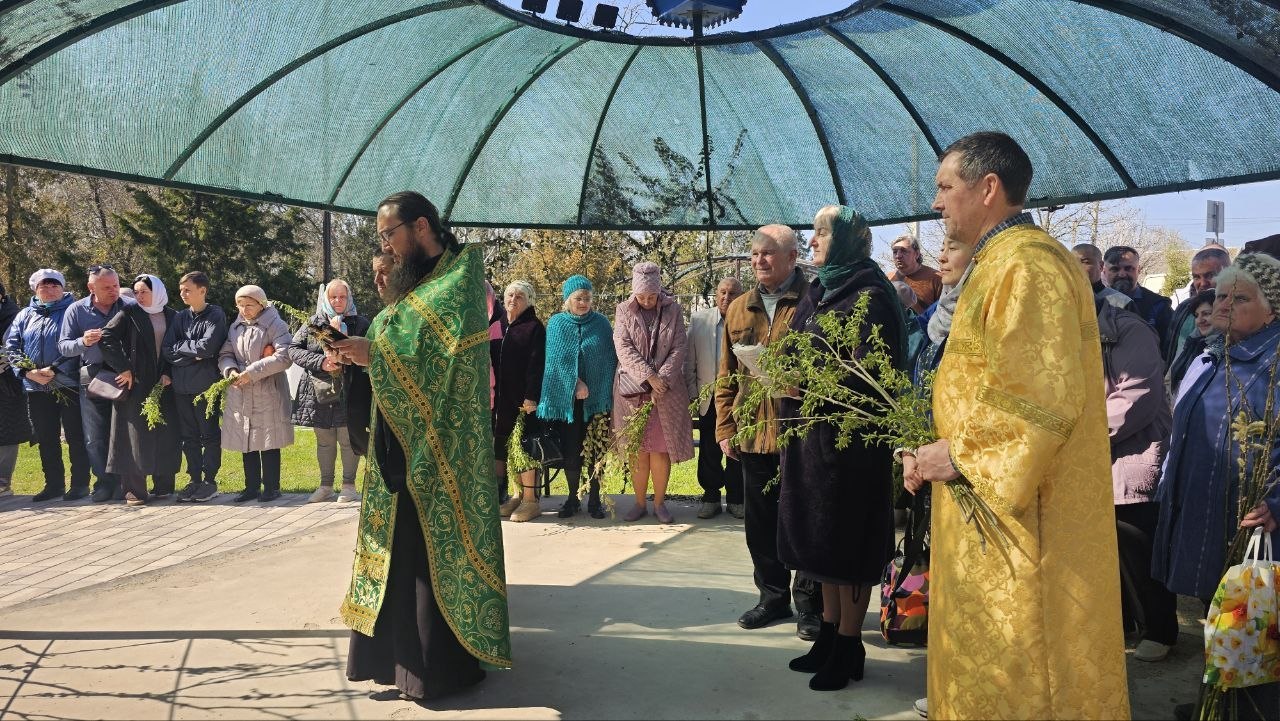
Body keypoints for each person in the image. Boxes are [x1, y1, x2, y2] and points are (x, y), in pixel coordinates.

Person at [904, 131, 1129, 720]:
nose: (936, 203)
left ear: (988, 188)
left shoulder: (1026, 266)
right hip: (991, 502)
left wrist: (953, 456)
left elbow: (1037, 396)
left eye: (944, 187)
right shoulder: (999, 262)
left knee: (1028, 670)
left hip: (1027, 517)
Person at [332, 191, 511, 700]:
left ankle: (439, 670)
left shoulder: (458, 280)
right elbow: (401, 336)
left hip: (441, 451)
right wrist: (365, 349)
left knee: (427, 555)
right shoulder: (417, 283)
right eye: (381, 238)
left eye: (390, 234)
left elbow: (434, 358)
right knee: (397, 553)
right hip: (400, 439)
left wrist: (376, 351)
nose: (385, 246)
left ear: (423, 227)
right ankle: (395, 666)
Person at [779, 205, 905, 691]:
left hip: (849, 447)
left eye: (821, 233)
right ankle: (829, 636)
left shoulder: (869, 295)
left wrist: (805, 385)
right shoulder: (822, 290)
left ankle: (849, 646)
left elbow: (871, 377)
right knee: (821, 544)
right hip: (811, 442)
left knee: (846, 544)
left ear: (848, 240)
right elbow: (798, 349)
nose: (812, 241)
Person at [1151, 252, 1280, 719]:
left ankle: (1248, 710)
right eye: (1221, 295)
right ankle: (1220, 703)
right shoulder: (1211, 355)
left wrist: (1277, 502)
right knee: (1218, 614)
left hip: (1251, 522)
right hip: (1203, 515)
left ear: (1272, 309)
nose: (1223, 304)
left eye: (1239, 297)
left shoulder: (1275, 360)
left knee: (1254, 621)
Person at [714, 224, 822, 640]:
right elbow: (725, 374)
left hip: (801, 434)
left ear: (793, 257)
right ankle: (772, 597)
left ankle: (809, 604)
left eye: (769, 254)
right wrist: (725, 427)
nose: (759, 261)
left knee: (805, 520)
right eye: (755, 254)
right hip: (754, 434)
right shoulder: (739, 307)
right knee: (760, 524)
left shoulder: (815, 301)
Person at [1095, 295, 1177, 663]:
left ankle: (1160, 630)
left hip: (1130, 457)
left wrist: (1077, 435)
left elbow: (1136, 397)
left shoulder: (1130, 330)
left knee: (1139, 545)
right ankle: (1124, 622)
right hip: (1091, 459)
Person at [612, 261, 694, 524]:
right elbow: (623, 346)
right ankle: (638, 503)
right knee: (638, 449)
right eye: (642, 296)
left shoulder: (674, 310)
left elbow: (680, 345)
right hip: (633, 391)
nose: (647, 301)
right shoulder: (623, 310)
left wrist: (663, 379)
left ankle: (659, 503)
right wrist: (648, 376)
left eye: (651, 296)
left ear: (660, 291)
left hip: (665, 393)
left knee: (660, 449)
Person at [4, 269, 90, 501]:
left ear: (63, 288)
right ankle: (53, 485)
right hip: (36, 387)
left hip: (68, 383)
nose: (50, 290)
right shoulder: (24, 315)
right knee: (46, 437)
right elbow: (12, 346)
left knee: (75, 436)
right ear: (35, 289)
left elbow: (77, 345)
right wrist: (26, 371)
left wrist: (55, 369)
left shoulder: (74, 311)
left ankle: (80, 484)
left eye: (54, 286)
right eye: (44, 286)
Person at [537, 275, 617, 519]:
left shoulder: (602, 324)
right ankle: (572, 499)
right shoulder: (556, 324)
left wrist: (597, 388)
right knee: (572, 451)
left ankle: (594, 501)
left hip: (598, 400)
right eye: (578, 298)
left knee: (596, 451)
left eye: (587, 298)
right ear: (567, 299)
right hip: (568, 401)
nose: (583, 302)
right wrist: (575, 383)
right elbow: (554, 362)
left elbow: (609, 360)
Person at [98, 274, 181, 505]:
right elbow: (106, 337)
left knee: (165, 433)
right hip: (136, 384)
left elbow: (178, 347)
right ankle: (134, 490)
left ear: (158, 291)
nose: (139, 296)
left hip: (163, 384)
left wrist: (169, 372)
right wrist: (123, 367)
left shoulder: (172, 315)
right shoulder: (129, 313)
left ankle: (164, 486)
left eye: (144, 291)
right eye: (136, 292)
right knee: (133, 435)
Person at [287, 279, 370, 504]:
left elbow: (369, 349)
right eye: (333, 297)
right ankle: (325, 486)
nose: (338, 301)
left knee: (346, 439)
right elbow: (293, 350)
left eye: (342, 297)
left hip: (349, 389)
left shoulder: (360, 323)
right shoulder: (315, 323)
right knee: (324, 440)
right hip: (318, 390)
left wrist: (347, 360)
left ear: (349, 298)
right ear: (326, 298)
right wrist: (322, 362)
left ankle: (349, 486)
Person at [59, 264, 135, 502]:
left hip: (126, 377)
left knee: (125, 433)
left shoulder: (130, 307)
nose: (114, 291)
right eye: (107, 287)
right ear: (91, 287)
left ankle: (127, 483)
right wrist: (83, 341)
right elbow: (63, 346)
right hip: (92, 378)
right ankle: (103, 483)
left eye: (116, 285)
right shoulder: (76, 310)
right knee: (95, 437)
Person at [217, 285, 294, 503]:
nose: (244, 310)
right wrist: (230, 370)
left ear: (261, 304)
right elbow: (226, 353)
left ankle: (271, 487)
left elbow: (284, 356)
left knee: (268, 438)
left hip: (267, 389)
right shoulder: (236, 327)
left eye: (248, 305)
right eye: (240, 305)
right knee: (247, 438)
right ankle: (251, 486)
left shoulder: (275, 324)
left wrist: (252, 372)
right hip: (241, 390)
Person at [162, 271, 227, 503]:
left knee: (208, 434)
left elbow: (208, 348)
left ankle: (209, 481)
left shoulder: (215, 315)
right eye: (181, 290)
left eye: (187, 290)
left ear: (202, 290)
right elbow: (168, 350)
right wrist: (192, 352)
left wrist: (185, 350)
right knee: (188, 437)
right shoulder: (180, 317)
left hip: (205, 387)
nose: (182, 294)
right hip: (181, 387)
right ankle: (195, 479)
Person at [684, 276, 744, 519]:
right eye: (722, 292)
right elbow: (689, 363)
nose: (726, 298)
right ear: (716, 294)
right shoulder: (699, 320)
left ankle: (736, 499)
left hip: (738, 398)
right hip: (708, 398)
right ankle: (710, 497)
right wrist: (693, 396)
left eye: (732, 294)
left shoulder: (747, 318)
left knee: (737, 450)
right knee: (709, 450)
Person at [493, 280, 545, 523]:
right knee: (506, 447)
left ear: (529, 301)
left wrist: (531, 397)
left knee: (524, 448)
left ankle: (531, 501)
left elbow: (537, 366)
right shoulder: (498, 325)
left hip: (523, 402)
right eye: (510, 295)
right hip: (499, 401)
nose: (513, 299)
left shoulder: (534, 327)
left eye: (520, 296)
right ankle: (517, 495)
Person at [1104, 245, 1174, 360]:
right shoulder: (1094, 303)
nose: (1122, 274)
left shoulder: (1158, 305)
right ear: (1104, 271)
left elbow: (1169, 350)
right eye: (1115, 269)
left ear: (1139, 270)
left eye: (1128, 268)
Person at [1164, 246, 1230, 363]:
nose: (1202, 283)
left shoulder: (1239, 311)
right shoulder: (1184, 308)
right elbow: (1170, 354)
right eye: (1196, 277)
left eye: (1210, 275)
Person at [0, 280, 33, 497]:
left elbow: (17, 346)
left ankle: (3, 481)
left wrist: (4, 359)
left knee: (5, 432)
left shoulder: (15, 316)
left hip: (7, 384)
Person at [1166, 289, 1217, 398]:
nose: (1200, 320)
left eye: (1206, 314)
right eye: (1197, 315)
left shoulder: (1226, 349)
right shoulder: (1192, 344)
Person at [887, 234, 942, 314]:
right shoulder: (887, 279)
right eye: (895, 252)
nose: (898, 256)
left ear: (916, 254)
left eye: (904, 251)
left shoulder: (937, 278)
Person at [1073, 243, 1134, 310]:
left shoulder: (1122, 302)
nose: (1077, 267)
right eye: (1072, 263)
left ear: (1101, 266)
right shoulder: (1064, 298)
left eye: (1085, 262)